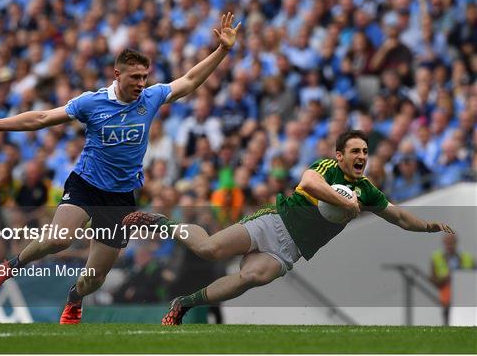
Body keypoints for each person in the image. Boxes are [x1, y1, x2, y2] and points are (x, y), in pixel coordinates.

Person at [0, 12, 241, 324]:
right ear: (117, 75)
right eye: (135, 77)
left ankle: (74, 299)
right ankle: (12, 265)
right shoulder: (91, 103)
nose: (141, 83)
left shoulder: (150, 98)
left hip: (120, 198)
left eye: (145, 77)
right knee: (59, 239)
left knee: (93, 279)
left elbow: (188, 81)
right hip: (86, 185)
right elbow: (41, 119)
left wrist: (222, 50)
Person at [125, 130, 456, 325]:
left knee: (252, 277)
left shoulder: (366, 189)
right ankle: (163, 222)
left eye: (365, 152)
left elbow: (397, 215)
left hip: (290, 249)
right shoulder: (327, 167)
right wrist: (345, 203)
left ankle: (184, 303)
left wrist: (427, 226)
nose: (362, 156)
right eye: (355, 151)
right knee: (209, 248)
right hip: (274, 221)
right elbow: (308, 182)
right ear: (340, 155)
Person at [430, 234, 474, 325]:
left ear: (456, 243)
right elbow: (433, 279)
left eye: (452, 243)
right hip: (447, 297)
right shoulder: (436, 258)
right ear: (444, 244)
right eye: (447, 243)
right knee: (448, 320)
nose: (449, 245)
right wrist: (446, 278)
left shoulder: (467, 258)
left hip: (465, 297)